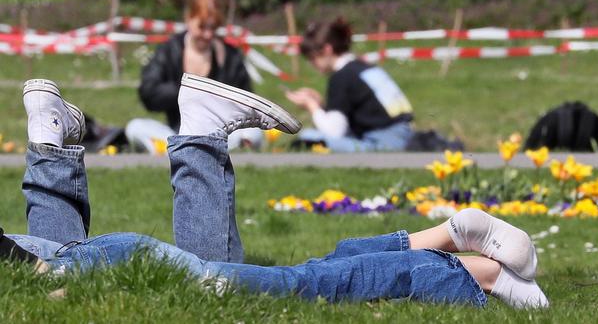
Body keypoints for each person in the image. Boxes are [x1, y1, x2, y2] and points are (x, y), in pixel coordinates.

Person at [4, 77, 547, 309]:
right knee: (267, 272)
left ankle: (476, 275)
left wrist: (59, 285)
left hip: (84, 268)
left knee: (299, 286)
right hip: (58, 259)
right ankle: (448, 238)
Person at [127, 0, 262, 154]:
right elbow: (148, 93)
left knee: (254, 133)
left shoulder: (230, 56)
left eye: (213, 28)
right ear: (188, 19)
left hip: (221, 134)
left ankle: (204, 150)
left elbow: (248, 103)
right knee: (135, 127)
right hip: (177, 132)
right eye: (202, 27)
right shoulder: (169, 50)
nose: (207, 35)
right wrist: (186, 91)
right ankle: (176, 147)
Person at [285, 19, 415, 152]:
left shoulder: (341, 77)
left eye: (313, 58)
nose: (312, 64)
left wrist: (312, 106)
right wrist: (321, 105)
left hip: (380, 142)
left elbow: (334, 132)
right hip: (404, 135)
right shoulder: (365, 68)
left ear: (327, 50)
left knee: (308, 137)